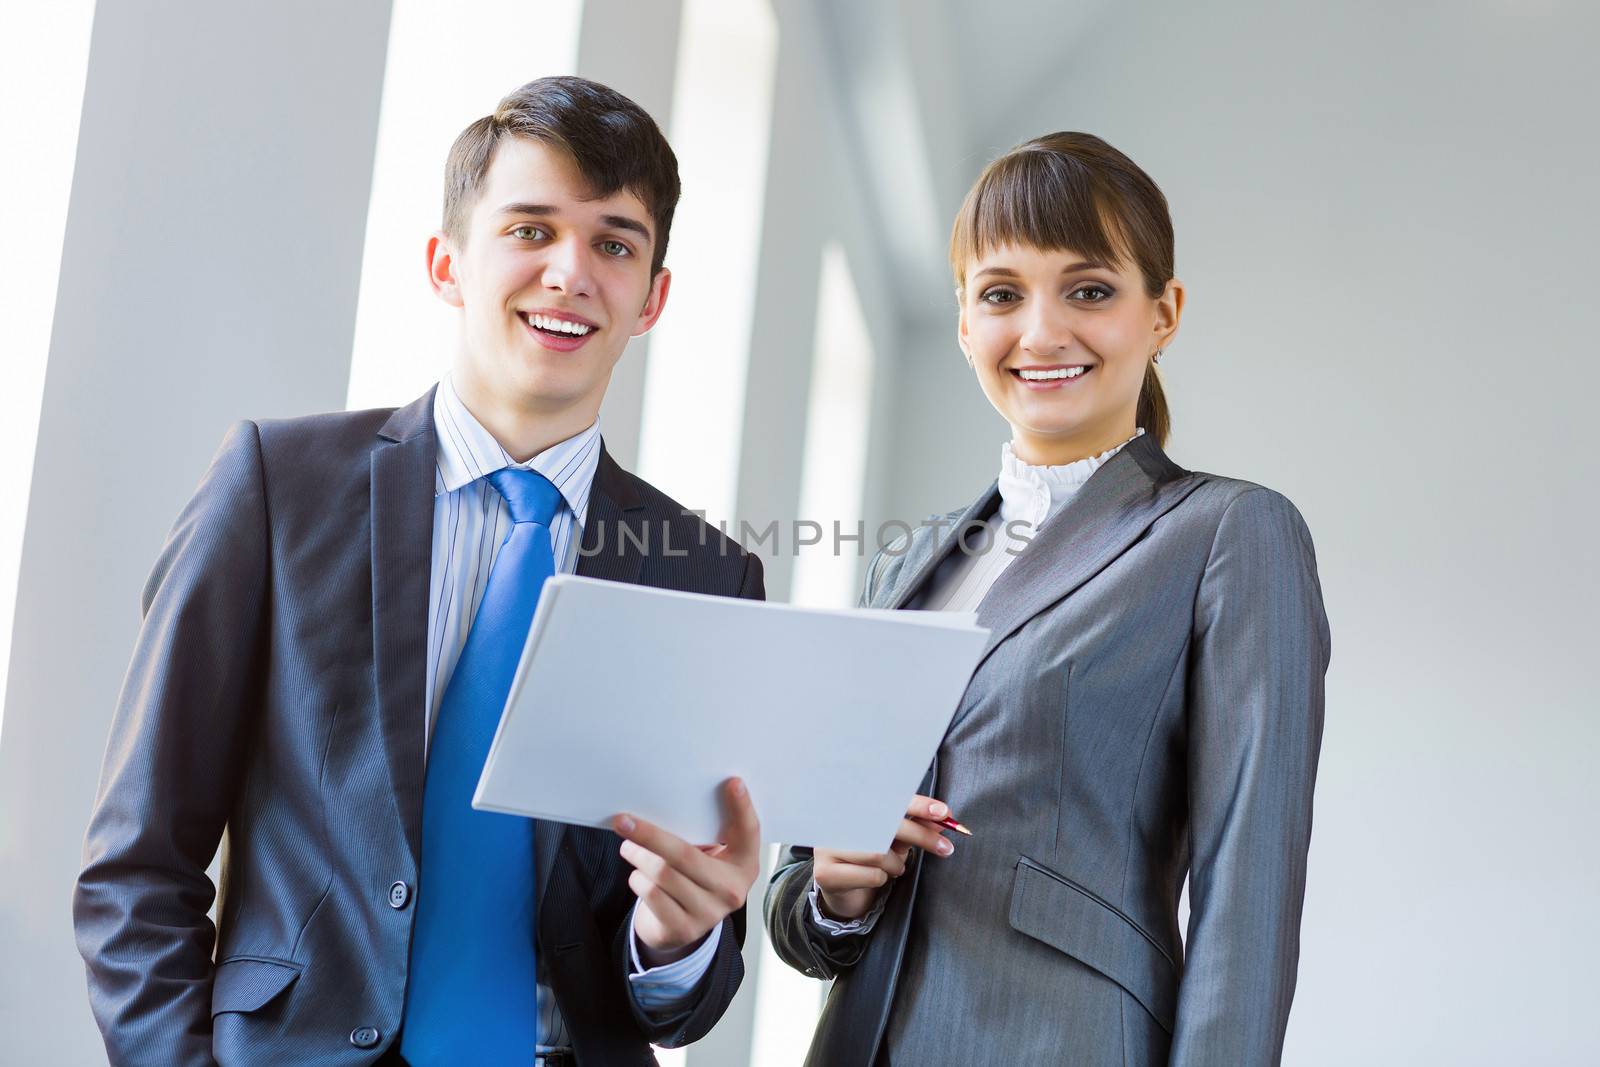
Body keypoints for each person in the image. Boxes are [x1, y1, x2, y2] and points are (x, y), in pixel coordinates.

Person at [72, 76, 765, 1066]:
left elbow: (680, 997)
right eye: (530, 229)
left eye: (613, 243)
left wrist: (679, 934)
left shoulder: (705, 576)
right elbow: (137, 864)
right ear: (447, 263)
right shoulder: (278, 487)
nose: (571, 271)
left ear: (652, 297)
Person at [765, 132, 1332, 1066]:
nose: (1041, 332)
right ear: (962, 322)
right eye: (1001, 294)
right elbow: (798, 909)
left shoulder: (1229, 532)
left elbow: (1250, 889)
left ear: (1164, 313)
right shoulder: (903, 566)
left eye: (1090, 289)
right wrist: (837, 887)